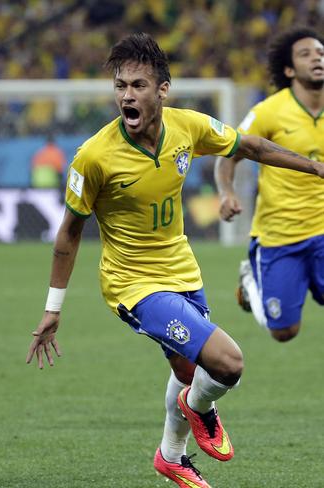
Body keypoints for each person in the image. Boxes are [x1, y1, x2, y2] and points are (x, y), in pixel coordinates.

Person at [26, 33, 324, 488]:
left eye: (139, 85)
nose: (127, 95)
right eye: (121, 86)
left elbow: (252, 148)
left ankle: (171, 457)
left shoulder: (187, 127)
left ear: (162, 90)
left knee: (190, 372)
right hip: (134, 286)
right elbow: (69, 232)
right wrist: (53, 307)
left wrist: (315, 167)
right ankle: (198, 409)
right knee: (227, 364)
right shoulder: (94, 157)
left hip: (181, 269)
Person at [215, 27, 324, 343]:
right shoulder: (268, 112)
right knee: (284, 331)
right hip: (279, 236)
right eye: (306, 54)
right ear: (289, 70)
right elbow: (227, 157)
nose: (317, 57)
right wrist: (227, 192)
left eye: (320, 52)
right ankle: (251, 282)